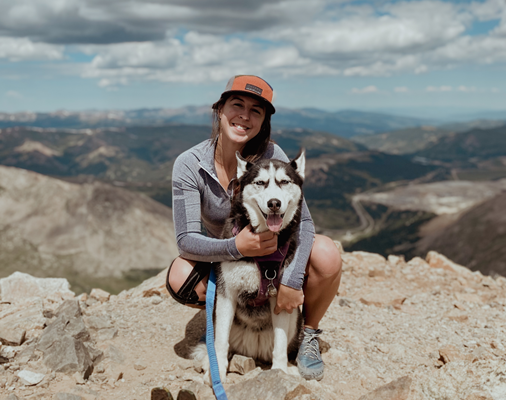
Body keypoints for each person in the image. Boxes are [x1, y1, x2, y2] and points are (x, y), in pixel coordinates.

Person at [166, 75, 342, 381]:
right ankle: (233, 325)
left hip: (274, 254)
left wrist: (292, 278)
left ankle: (308, 335)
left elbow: (307, 223)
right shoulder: (189, 164)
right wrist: (236, 248)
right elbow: (185, 240)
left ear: (264, 122)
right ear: (219, 110)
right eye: (237, 105)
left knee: (327, 254)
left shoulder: (273, 156)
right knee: (180, 276)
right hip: (226, 253)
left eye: (256, 111)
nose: (245, 116)